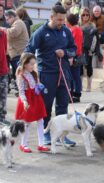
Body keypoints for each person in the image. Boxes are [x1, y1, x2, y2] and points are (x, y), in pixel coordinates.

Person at [24, 5, 77, 146]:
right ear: (51, 17)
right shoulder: (41, 32)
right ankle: (46, 133)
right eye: (59, 20)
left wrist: (65, 53)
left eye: (63, 20)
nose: (61, 23)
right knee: (46, 105)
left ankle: (62, 136)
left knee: (62, 106)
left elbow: (74, 49)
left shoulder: (66, 31)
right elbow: (29, 49)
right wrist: (26, 67)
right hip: (47, 74)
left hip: (64, 73)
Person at [15, 53, 50, 153]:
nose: (33, 66)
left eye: (34, 64)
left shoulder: (33, 73)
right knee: (27, 123)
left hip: (36, 99)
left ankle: (41, 144)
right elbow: (21, 91)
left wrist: (41, 86)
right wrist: (24, 102)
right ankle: (23, 144)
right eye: (31, 64)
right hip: (28, 100)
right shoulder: (21, 75)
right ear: (25, 63)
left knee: (41, 121)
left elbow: (37, 83)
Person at [4, 10, 29, 88]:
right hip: (17, 53)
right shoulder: (17, 23)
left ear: (12, 17)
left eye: (7, 19)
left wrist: (2, 29)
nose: (7, 21)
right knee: (18, 74)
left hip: (19, 53)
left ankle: (23, 91)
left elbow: (13, 33)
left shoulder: (18, 22)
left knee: (20, 74)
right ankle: (21, 90)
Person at [80, 7, 101, 92]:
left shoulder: (92, 25)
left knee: (88, 67)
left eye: (87, 15)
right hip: (79, 49)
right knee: (80, 68)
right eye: (83, 15)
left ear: (89, 15)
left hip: (89, 50)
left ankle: (89, 86)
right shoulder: (78, 25)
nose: (85, 16)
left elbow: (96, 39)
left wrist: (93, 50)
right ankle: (80, 86)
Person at [66, 13, 83, 103]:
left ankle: (76, 95)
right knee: (74, 76)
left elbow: (75, 45)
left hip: (74, 55)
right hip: (75, 55)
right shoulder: (76, 29)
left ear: (69, 21)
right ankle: (73, 94)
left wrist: (71, 56)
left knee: (75, 76)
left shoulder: (75, 30)